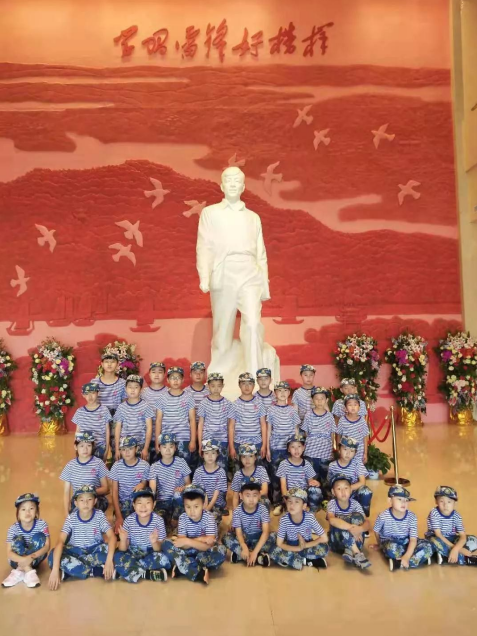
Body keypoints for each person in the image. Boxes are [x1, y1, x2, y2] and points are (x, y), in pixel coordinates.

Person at [196, 166, 271, 379]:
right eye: (228, 180)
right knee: (223, 327)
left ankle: (255, 375)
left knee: (253, 323)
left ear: (243, 187)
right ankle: (218, 377)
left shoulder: (253, 217)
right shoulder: (210, 213)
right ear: (221, 186)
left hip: (250, 271)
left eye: (237, 181)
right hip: (223, 271)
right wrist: (204, 276)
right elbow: (204, 246)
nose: (232, 184)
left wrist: (265, 285)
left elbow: (261, 253)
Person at [48, 485, 116, 589]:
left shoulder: (99, 515)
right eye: (81, 500)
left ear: (95, 501)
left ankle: (72, 571)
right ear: (76, 503)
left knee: (115, 553)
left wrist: (109, 560)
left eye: (89, 499)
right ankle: (95, 571)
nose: (85, 503)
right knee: (53, 556)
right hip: (76, 552)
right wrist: (55, 570)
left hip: (94, 550)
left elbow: (112, 537)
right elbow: (60, 541)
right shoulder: (71, 518)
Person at [162, 485, 227, 585]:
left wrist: (188, 541)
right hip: (187, 551)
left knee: (221, 551)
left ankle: (183, 566)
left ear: (203, 504)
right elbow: (182, 544)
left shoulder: (209, 518)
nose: (192, 511)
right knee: (165, 544)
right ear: (184, 506)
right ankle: (197, 572)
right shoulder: (183, 517)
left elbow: (208, 546)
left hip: (203, 553)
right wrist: (201, 539)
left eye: (196, 507)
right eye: (188, 507)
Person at [114, 488, 170, 583]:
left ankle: (128, 571)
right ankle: (147, 574)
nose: (143, 507)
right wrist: (123, 540)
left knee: (164, 558)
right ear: (134, 505)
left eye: (148, 503)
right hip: (133, 552)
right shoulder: (129, 520)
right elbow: (123, 549)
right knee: (117, 556)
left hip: (150, 552)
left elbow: (158, 549)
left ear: (154, 505)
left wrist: (154, 542)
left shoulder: (159, 521)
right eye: (139, 503)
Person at [371, 485, 433, 571]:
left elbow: (413, 539)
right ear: (390, 501)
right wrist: (380, 545)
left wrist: (407, 556)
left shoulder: (412, 516)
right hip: (391, 542)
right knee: (391, 548)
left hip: (407, 541)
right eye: (399, 499)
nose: (403, 503)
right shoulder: (383, 516)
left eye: (406, 500)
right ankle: (416, 559)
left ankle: (400, 562)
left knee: (428, 546)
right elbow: (376, 531)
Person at [269, 487, 329, 570]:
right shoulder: (284, 520)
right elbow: (279, 543)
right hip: (291, 547)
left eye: (297, 502)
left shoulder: (309, 518)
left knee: (324, 547)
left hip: (307, 546)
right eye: (289, 501)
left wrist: (305, 545)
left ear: (304, 506)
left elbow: (324, 538)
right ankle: (306, 561)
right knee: (272, 550)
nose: (292, 505)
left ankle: (293, 560)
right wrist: (298, 548)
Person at [266, 380, 301, 514]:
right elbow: (269, 430)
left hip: (290, 449)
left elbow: (296, 430)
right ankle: (277, 503)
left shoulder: (292, 410)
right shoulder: (271, 409)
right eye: (279, 391)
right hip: (276, 448)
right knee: (276, 477)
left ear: (289, 393)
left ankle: (289, 503)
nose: (282, 393)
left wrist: (297, 448)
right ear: (275, 393)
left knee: (289, 476)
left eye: (285, 391)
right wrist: (268, 448)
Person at [2, 493, 50, 589]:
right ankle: (28, 571)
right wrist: (24, 561)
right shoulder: (13, 529)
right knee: (17, 539)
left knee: (40, 537)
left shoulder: (42, 524)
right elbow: (9, 553)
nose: (27, 512)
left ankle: (19, 571)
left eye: (31, 508)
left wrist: (31, 557)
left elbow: (47, 546)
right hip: (16, 561)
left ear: (36, 510)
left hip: (35, 559)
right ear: (18, 513)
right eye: (23, 509)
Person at [222, 481, 275, 567]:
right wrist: (244, 546)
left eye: (254, 495)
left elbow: (265, 533)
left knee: (274, 536)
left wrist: (255, 552)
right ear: (241, 496)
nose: (251, 499)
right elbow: (238, 533)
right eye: (247, 495)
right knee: (226, 537)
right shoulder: (237, 511)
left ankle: (242, 556)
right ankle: (258, 557)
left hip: (259, 539)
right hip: (244, 539)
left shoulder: (263, 509)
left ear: (259, 496)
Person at [326, 474, 371, 569]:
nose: (343, 492)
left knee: (358, 516)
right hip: (337, 542)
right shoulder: (332, 504)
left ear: (351, 490)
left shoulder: (355, 504)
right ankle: (357, 553)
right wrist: (351, 528)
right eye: (339, 489)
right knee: (339, 521)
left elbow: (367, 523)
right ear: (333, 492)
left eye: (346, 488)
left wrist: (360, 529)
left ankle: (349, 550)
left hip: (356, 538)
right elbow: (332, 520)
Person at [59, 431, 109, 517]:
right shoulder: (70, 466)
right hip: (79, 500)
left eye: (88, 445)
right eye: (81, 446)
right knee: (78, 514)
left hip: (95, 499)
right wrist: (66, 514)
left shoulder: (98, 463)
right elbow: (66, 492)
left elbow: (106, 488)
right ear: (75, 447)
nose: (85, 449)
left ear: (92, 446)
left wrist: (89, 492)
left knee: (91, 512)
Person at [425, 486, 477, 566]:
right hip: (437, 537)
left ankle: (444, 555)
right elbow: (438, 534)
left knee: (473, 539)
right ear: (436, 501)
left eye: (449, 502)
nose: (445, 505)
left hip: (451, 538)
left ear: (454, 503)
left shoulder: (456, 516)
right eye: (441, 501)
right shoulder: (434, 513)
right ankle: (465, 559)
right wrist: (457, 549)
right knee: (434, 542)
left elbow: (462, 536)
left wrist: (456, 548)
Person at [155, 367, 196, 467]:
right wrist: (157, 441)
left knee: (184, 467)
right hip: (166, 439)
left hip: (184, 438)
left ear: (183, 380)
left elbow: (192, 420)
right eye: (173, 378)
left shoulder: (188, 397)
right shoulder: (162, 398)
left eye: (178, 378)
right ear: (168, 380)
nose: (176, 380)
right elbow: (158, 420)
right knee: (168, 466)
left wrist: (193, 440)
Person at [149, 433, 191, 527]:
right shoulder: (154, 467)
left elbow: (189, 484)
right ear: (159, 448)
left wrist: (183, 488)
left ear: (175, 448)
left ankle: (176, 519)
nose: (168, 450)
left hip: (179, 501)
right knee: (158, 523)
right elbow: (152, 490)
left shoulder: (181, 462)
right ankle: (168, 521)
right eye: (164, 447)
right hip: (162, 502)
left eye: (171, 446)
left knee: (177, 495)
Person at [110, 436, 150, 533]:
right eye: (123, 449)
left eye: (130, 448)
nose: (127, 452)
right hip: (123, 504)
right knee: (123, 530)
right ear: (120, 451)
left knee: (143, 526)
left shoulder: (144, 465)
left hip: (139, 502)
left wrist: (142, 484)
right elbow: (114, 492)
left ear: (136, 449)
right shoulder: (116, 466)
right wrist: (119, 517)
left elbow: (144, 484)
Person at [276, 433, 322, 513]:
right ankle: (285, 506)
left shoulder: (307, 464)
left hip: (303, 495)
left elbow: (310, 483)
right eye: (293, 447)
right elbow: (283, 486)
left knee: (315, 490)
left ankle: (311, 511)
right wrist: (287, 501)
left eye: (299, 446)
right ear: (288, 449)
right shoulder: (283, 464)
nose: (296, 450)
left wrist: (317, 484)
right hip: (291, 495)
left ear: (303, 448)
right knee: (291, 510)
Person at [327, 436, 373, 517]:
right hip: (339, 494)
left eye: (352, 451)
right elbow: (330, 483)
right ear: (339, 449)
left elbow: (362, 482)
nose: (348, 453)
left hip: (353, 492)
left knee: (366, 491)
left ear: (355, 453)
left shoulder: (357, 463)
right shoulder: (332, 466)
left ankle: (362, 514)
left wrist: (349, 488)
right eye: (345, 449)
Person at [300, 386, 337, 487]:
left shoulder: (330, 416)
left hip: (326, 453)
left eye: (322, 399)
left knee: (325, 479)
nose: (319, 401)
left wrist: (331, 450)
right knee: (312, 479)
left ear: (326, 400)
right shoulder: (308, 415)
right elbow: (306, 433)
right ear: (312, 400)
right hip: (311, 453)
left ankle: (325, 495)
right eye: (316, 398)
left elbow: (332, 434)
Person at [229, 372, 267, 466]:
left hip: (256, 443)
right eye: (243, 384)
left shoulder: (259, 403)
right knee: (239, 471)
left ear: (254, 385)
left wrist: (264, 445)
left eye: (249, 383)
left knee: (257, 471)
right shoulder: (234, 404)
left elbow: (263, 425)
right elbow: (231, 427)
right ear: (239, 385)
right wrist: (231, 447)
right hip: (239, 443)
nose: (246, 387)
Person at [114, 375, 154, 462]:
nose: (132, 390)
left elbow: (149, 428)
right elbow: (117, 428)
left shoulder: (146, 406)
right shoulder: (121, 407)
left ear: (141, 389)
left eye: (136, 387)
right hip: (124, 445)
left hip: (141, 445)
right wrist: (117, 449)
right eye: (130, 387)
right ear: (125, 389)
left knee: (142, 468)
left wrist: (146, 448)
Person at [197, 372, 232, 471]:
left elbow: (230, 425)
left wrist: (230, 444)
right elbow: (200, 424)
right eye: (213, 386)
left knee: (222, 467)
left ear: (223, 386)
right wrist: (200, 443)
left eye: (219, 386)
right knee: (207, 467)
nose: (216, 388)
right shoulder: (203, 403)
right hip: (207, 440)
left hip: (222, 440)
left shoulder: (228, 403)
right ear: (208, 386)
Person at [72, 382, 112, 461]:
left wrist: (107, 449)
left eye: (93, 393)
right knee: (85, 465)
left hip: (99, 446)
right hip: (84, 446)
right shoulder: (80, 411)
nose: (90, 397)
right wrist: (75, 444)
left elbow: (107, 430)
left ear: (98, 393)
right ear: (83, 395)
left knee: (97, 466)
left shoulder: (104, 410)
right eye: (87, 394)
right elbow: (78, 430)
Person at [192, 439, 228, 524]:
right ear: (202, 455)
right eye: (206, 453)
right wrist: (202, 507)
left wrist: (207, 509)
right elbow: (198, 490)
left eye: (213, 453)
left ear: (217, 454)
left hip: (216, 504)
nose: (210, 456)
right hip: (201, 501)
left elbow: (216, 494)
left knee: (212, 520)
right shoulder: (198, 471)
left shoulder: (221, 472)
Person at [141, 362, 167, 463]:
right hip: (145, 438)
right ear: (149, 374)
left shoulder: (169, 392)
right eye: (153, 372)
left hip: (164, 438)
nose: (156, 375)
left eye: (160, 372)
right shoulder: (143, 393)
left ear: (164, 374)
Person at [231, 444, 270, 510]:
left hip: (258, 499)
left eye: (250, 456)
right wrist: (235, 512)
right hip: (244, 501)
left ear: (255, 457)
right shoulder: (237, 474)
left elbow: (265, 491)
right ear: (240, 458)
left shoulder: (261, 470)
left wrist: (252, 496)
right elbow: (235, 497)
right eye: (244, 457)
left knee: (265, 501)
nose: (247, 460)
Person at [91, 352, 126, 419]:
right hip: (99, 418)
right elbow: (91, 402)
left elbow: (125, 403)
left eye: (112, 362)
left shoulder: (122, 383)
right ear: (102, 364)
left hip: (117, 418)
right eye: (106, 362)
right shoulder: (94, 382)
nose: (109, 364)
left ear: (117, 364)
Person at [336, 394, 369, 464]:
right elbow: (338, 435)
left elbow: (365, 437)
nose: (353, 407)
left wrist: (365, 453)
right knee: (346, 467)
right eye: (350, 405)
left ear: (359, 407)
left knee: (358, 468)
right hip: (346, 452)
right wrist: (338, 449)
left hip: (359, 452)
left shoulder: (362, 421)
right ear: (345, 408)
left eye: (355, 405)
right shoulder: (342, 420)